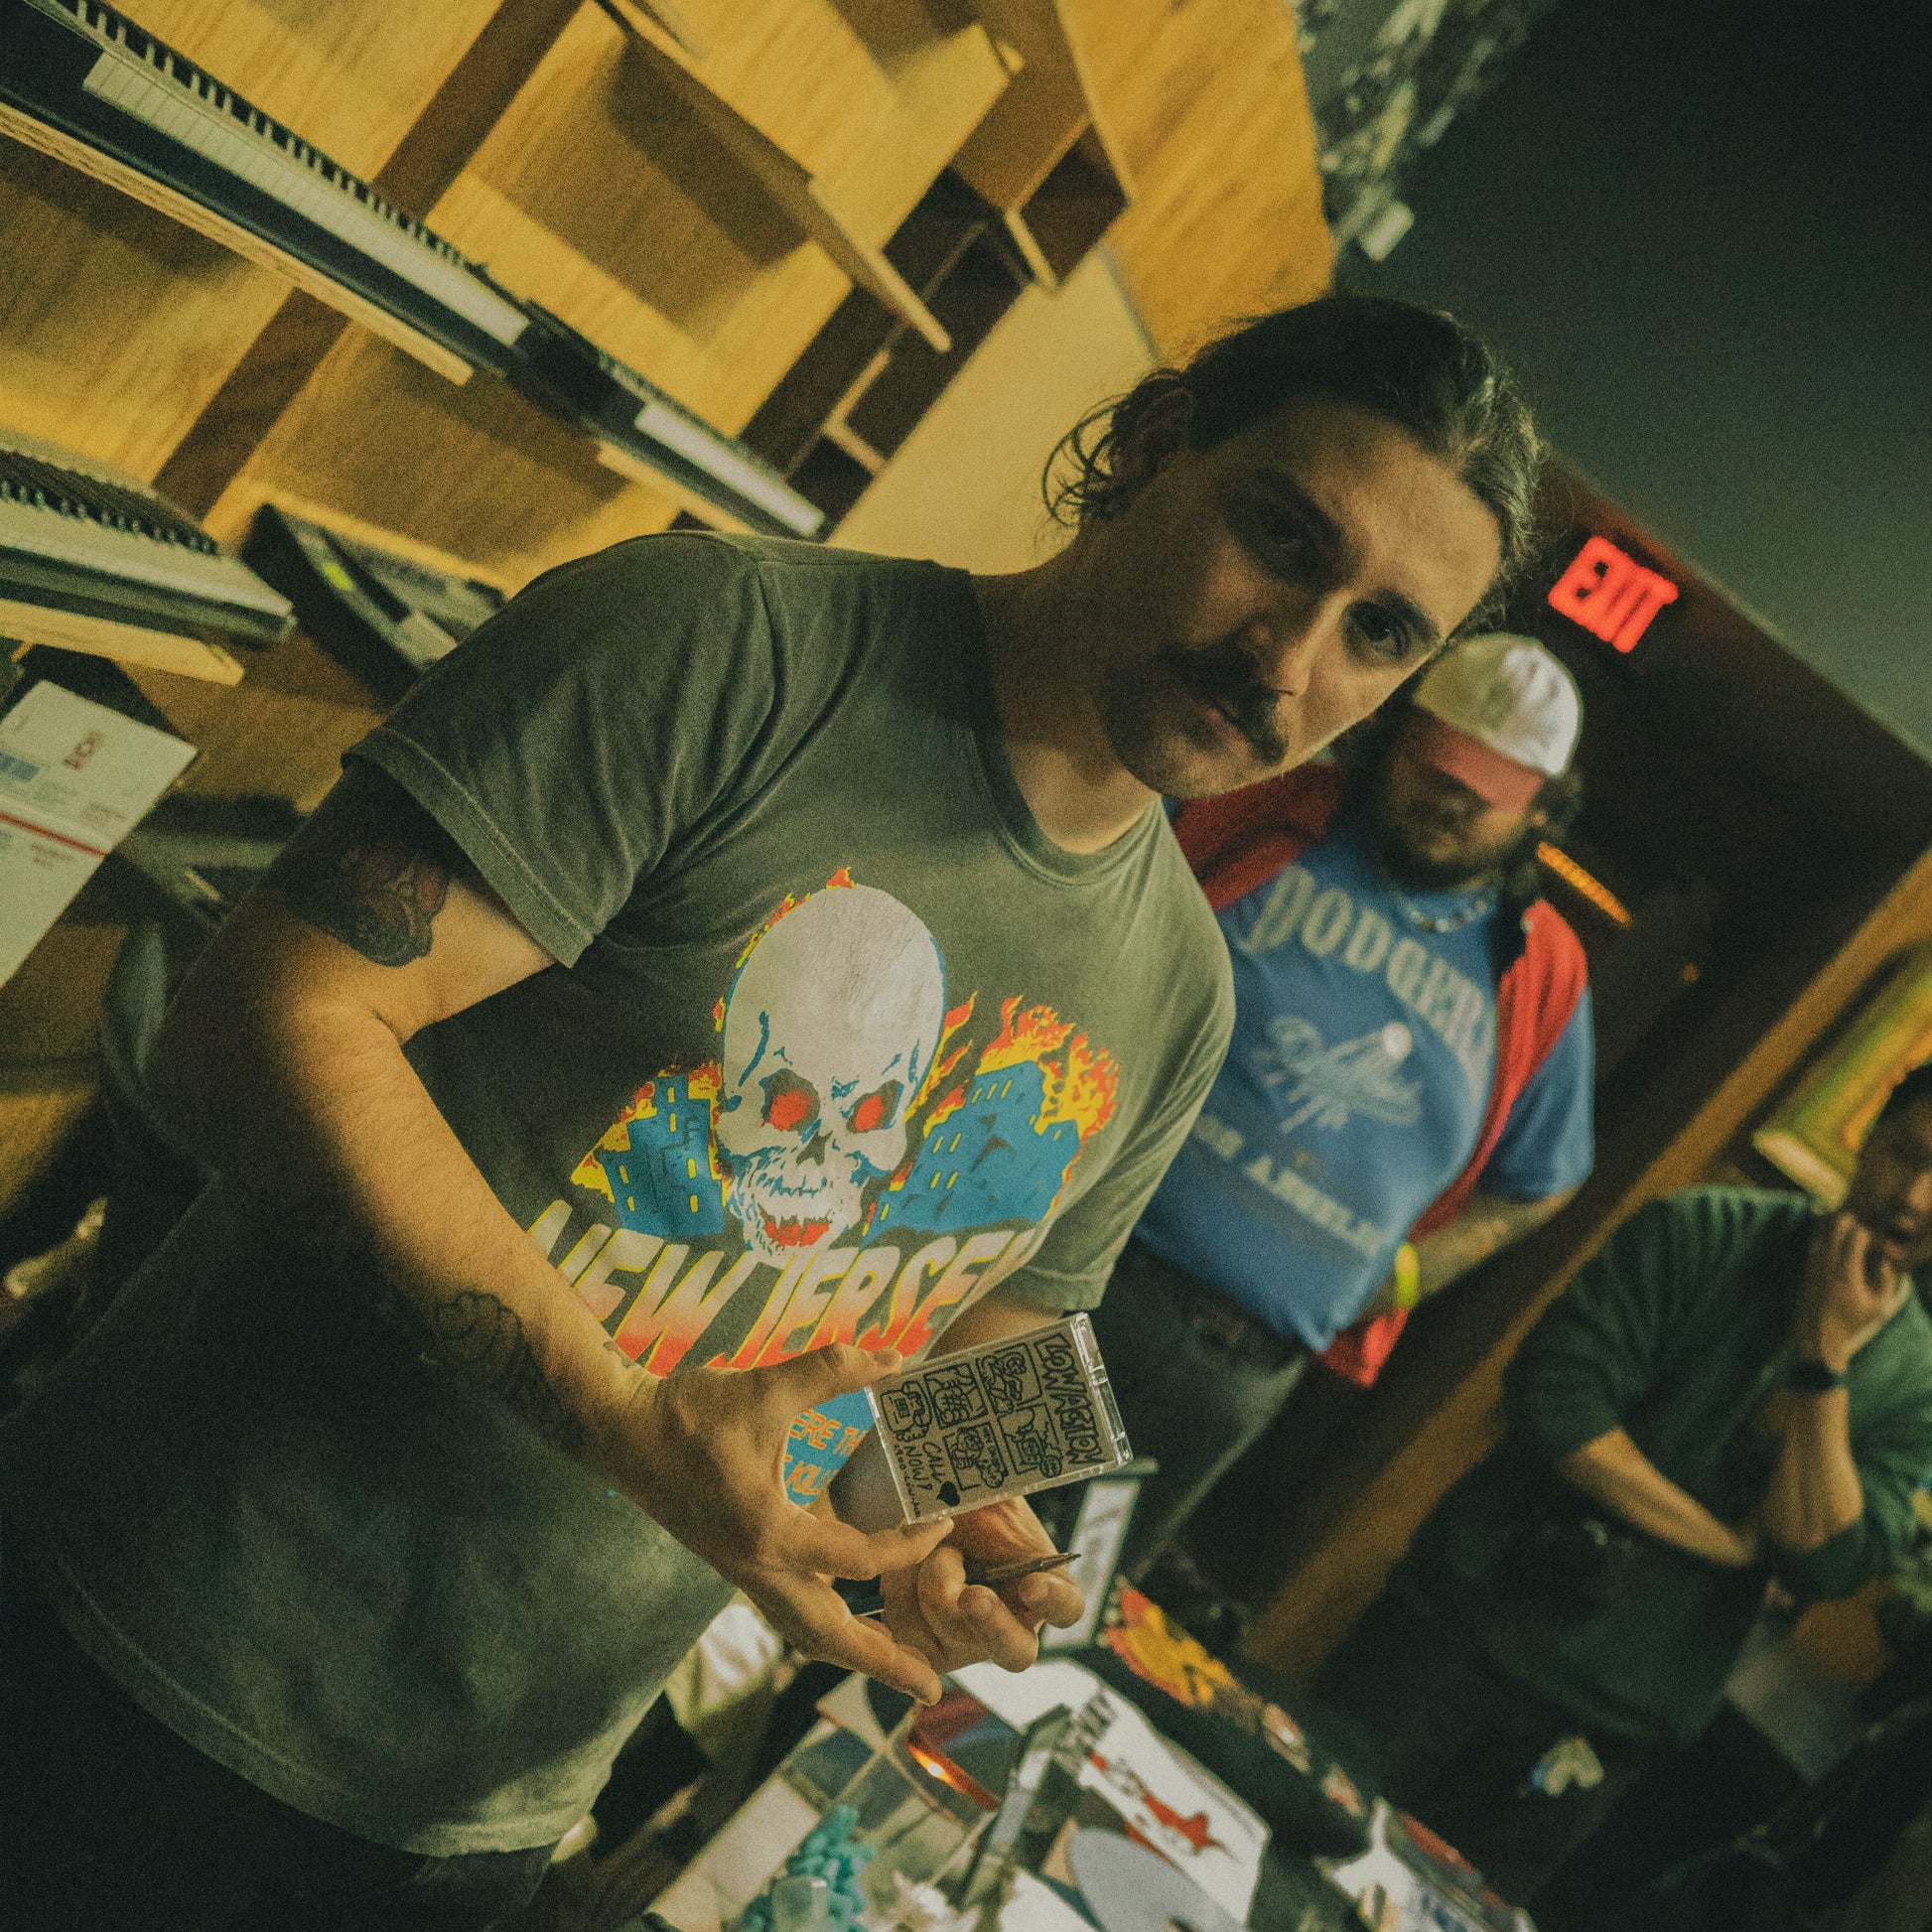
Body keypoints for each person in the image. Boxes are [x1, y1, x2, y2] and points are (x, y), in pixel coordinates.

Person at [0, 293, 1538, 1930]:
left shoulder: (1182, 989)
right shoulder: (728, 644)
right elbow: (262, 1020)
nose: (1290, 658)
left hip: (487, 1814)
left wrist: (945, 1538)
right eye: (1282, 538)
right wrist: (628, 1422)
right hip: (131, 1644)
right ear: (1159, 445)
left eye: (1381, 633)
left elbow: (988, 1352)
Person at [1313, 1061, 1932, 1905]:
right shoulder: (1703, 1228)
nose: (1916, 1197)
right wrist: (1722, 1543)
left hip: (1614, 1719)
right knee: (1290, 1832)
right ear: (1868, 1137)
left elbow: (1828, 1561)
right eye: (1907, 1154)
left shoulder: (1917, 1379)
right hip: (1457, 1630)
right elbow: (1557, 1405)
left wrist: (1822, 1359)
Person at [1091, 631, 1594, 1571]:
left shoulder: (1544, 967)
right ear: (1395, 736)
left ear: (1542, 809)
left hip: (1234, 1377)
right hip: (1086, 1285)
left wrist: (1395, 1280)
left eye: (1486, 789)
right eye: (1437, 765)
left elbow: (1542, 1182)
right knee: (908, 1520)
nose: (1451, 798)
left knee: (1035, 1616)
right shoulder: (1261, 807)